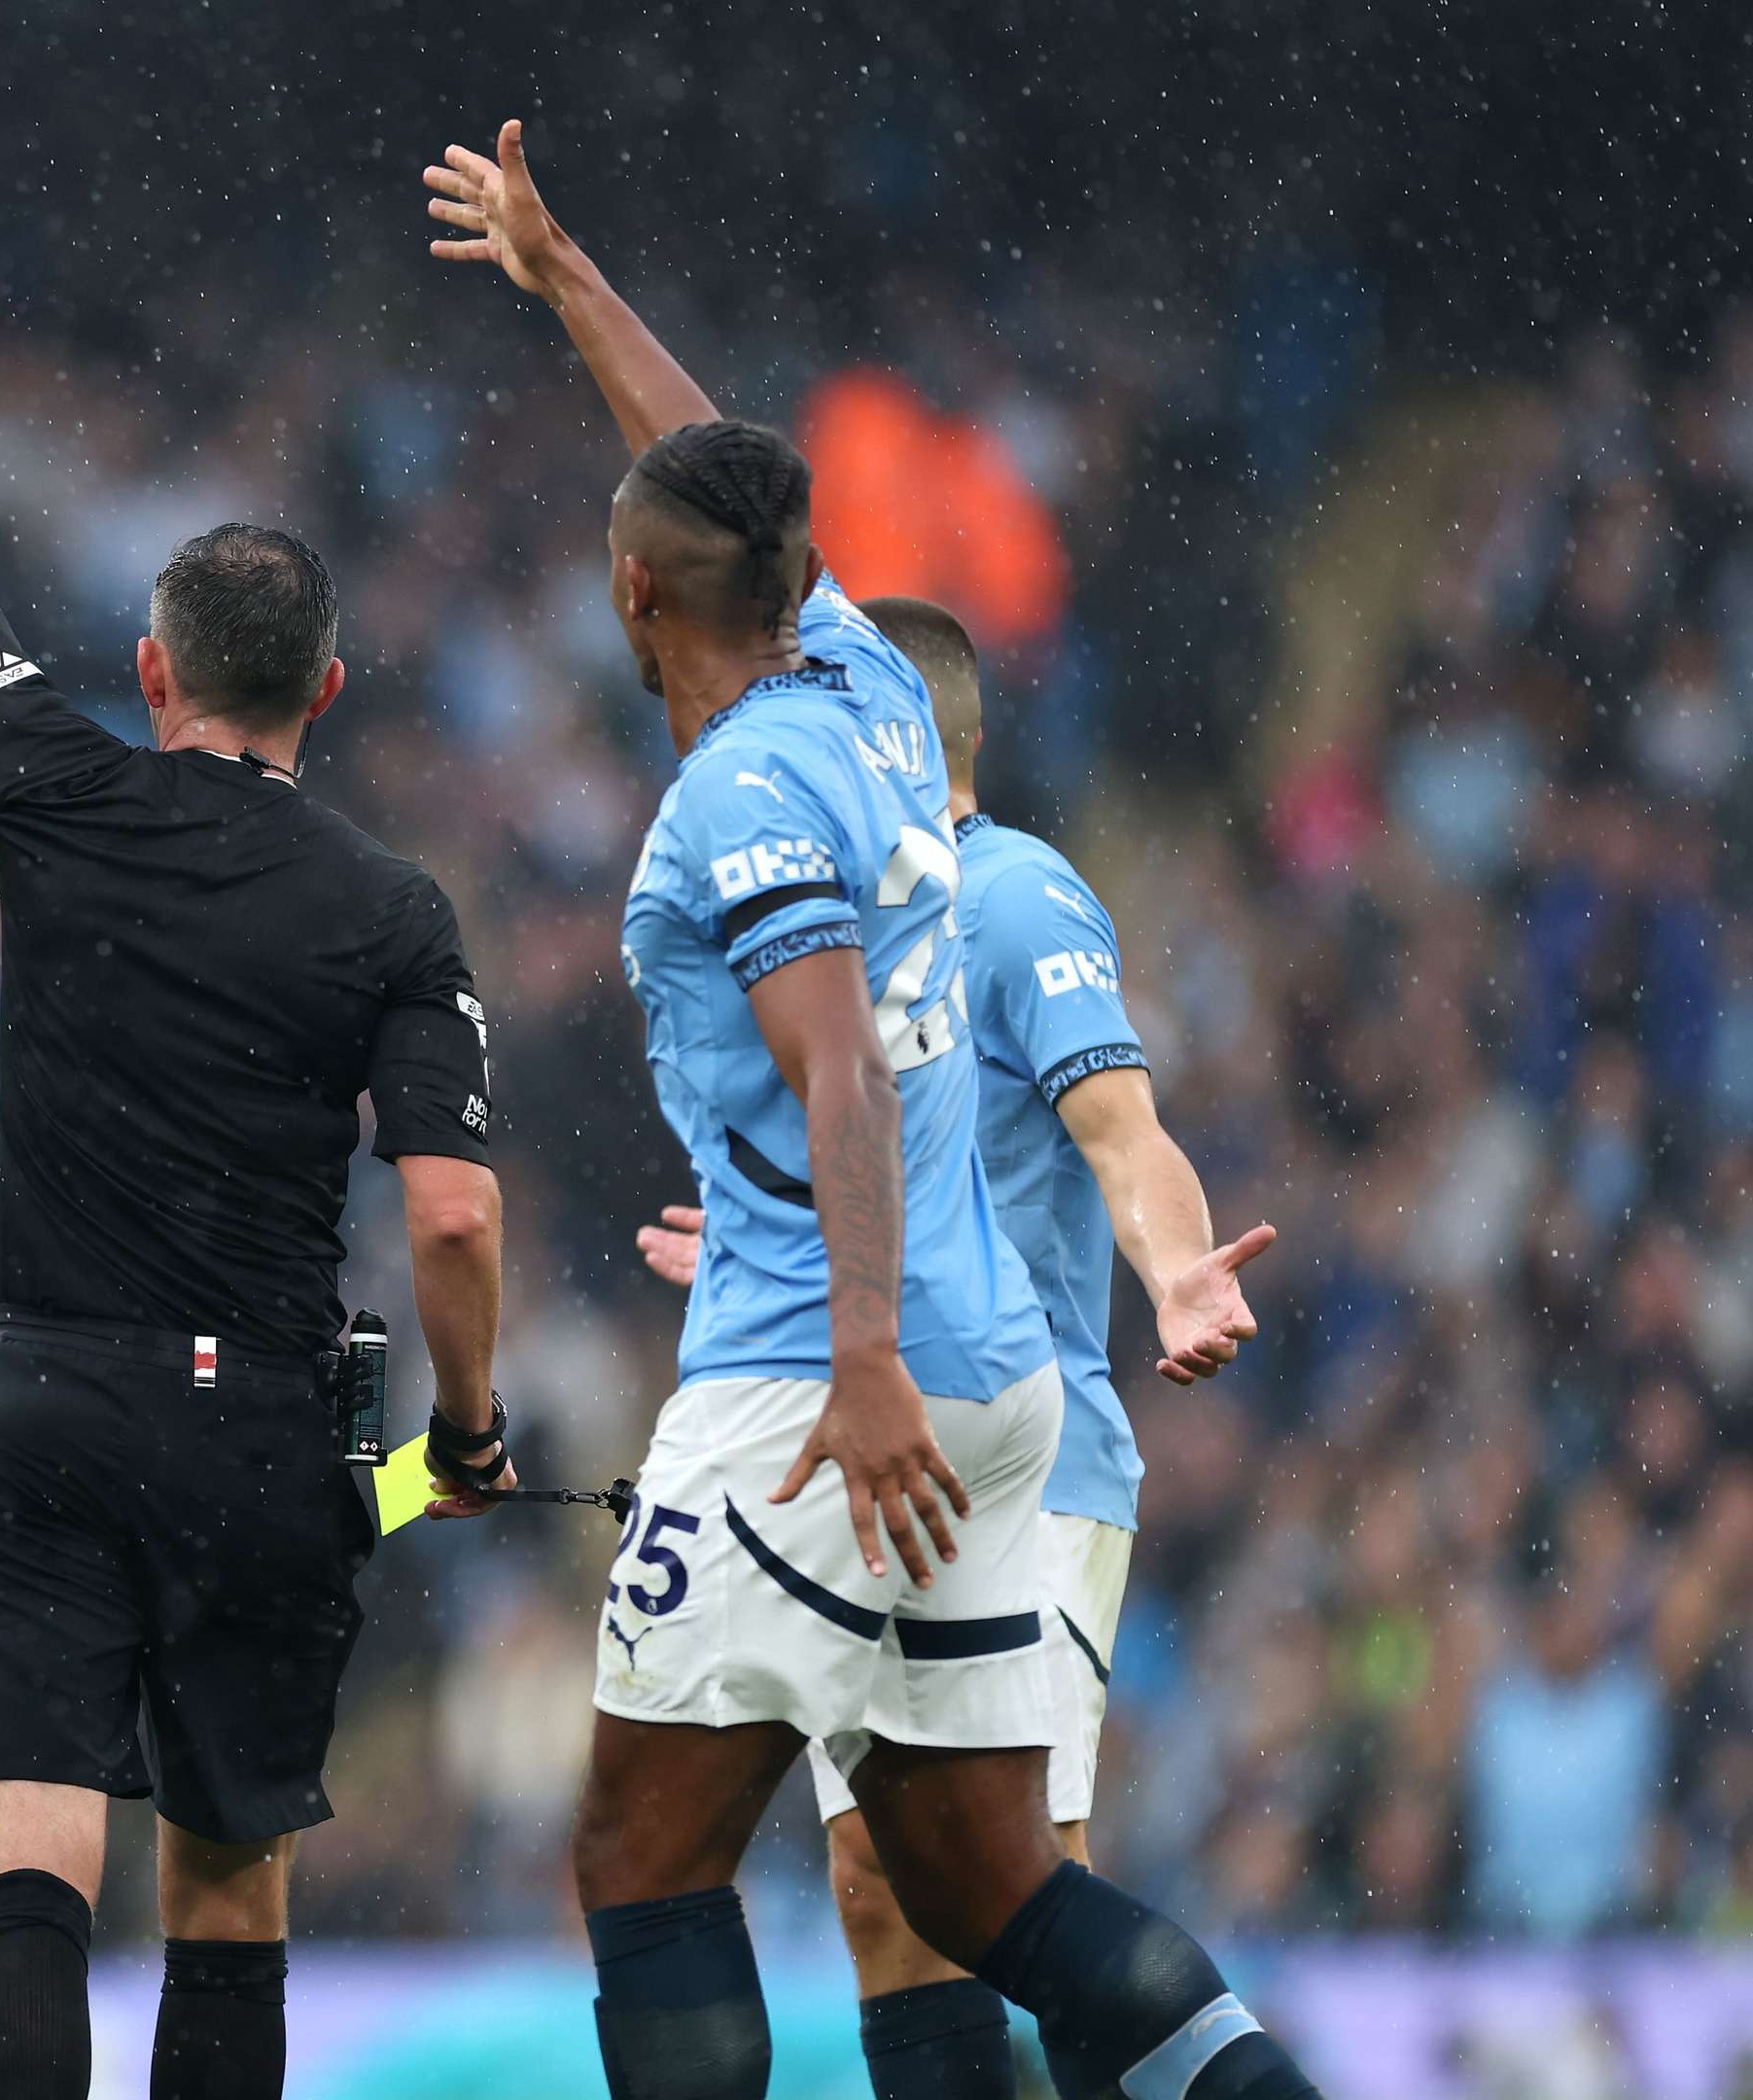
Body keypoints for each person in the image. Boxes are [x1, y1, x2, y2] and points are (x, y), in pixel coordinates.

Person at [422, 120, 1319, 2100]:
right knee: (965, 1871)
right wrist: (566, 280)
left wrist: (852, 1356)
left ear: (639, 595)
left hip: (830, 1381)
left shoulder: (738, 794)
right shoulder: (872, 692)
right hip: (998, 1363)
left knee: (642, 1852)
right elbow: (726, 483)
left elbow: (836, 1059)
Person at [0, 170, 512, 2100]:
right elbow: (452, 1217)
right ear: (332, 695)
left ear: (152, 677)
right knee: (227, 1893)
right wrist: (462, 1438)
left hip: (43, 1400)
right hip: (264, 1435)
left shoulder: (59, 782)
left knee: (29, 1861)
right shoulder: (394, 912)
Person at [632, 597, 1278, 2098]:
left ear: (891, 734)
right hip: (867, 1477)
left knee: (1015, 1876)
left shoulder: (1016, 897)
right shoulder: (832, 940)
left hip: (1019, 1469)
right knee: (888, 1896)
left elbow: (1124, 1132)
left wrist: (1178, 1270)